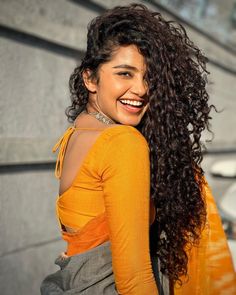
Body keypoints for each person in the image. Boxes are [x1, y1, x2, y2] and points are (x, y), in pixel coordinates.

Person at [41, 4, 236, 295]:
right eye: (125, 73)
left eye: (148, 77)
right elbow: (134, 279)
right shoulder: (123, 142)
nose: (142, 89)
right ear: (90, 79)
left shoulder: (77, 133)